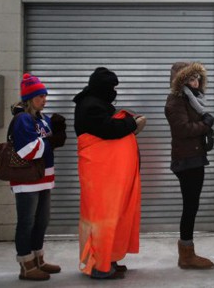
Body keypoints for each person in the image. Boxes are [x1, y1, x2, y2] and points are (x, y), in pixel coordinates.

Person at [73, 67, 146, 279]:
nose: (114, 91)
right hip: (99, 174)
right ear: (102, 88)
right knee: (101, 216)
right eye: (112, 87)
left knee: (110, 215)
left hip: (104, 174)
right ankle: (98, 265)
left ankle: (108, 258)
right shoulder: (91, 106)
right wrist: (131, 123)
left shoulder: (93, 102)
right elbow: (107, 129)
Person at [10, 73, 66, 281]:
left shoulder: (42, 119)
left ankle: (38, 258)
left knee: (42, 221)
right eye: (40, 96)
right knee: (27, 222)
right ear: (29, 98)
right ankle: (26, 264)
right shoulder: (23, 119)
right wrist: (50, 142)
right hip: (27, 181)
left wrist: (58, 133)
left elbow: (51, 142)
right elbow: (28, 149)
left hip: (44, 178)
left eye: (45, 95)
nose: (44, 99)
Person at [164, 62, 214, 269]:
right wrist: (205, 124)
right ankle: (186, 254)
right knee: (190, 206)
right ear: (181, 81)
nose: (196, 82)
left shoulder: (192, 99)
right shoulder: (175, 101)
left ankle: (187, 252)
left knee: (192, 205)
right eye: (191, 79)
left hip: (194, 157)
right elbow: (182, 129)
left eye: (197, 78)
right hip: (186, 160)